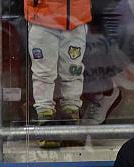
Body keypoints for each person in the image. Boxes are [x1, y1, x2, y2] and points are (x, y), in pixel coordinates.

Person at [24, 0, 91, 148]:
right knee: (43, 73)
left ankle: (72, 118)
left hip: (76, 16)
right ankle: (45, 118)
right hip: (42, 16)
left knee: (74, 71)